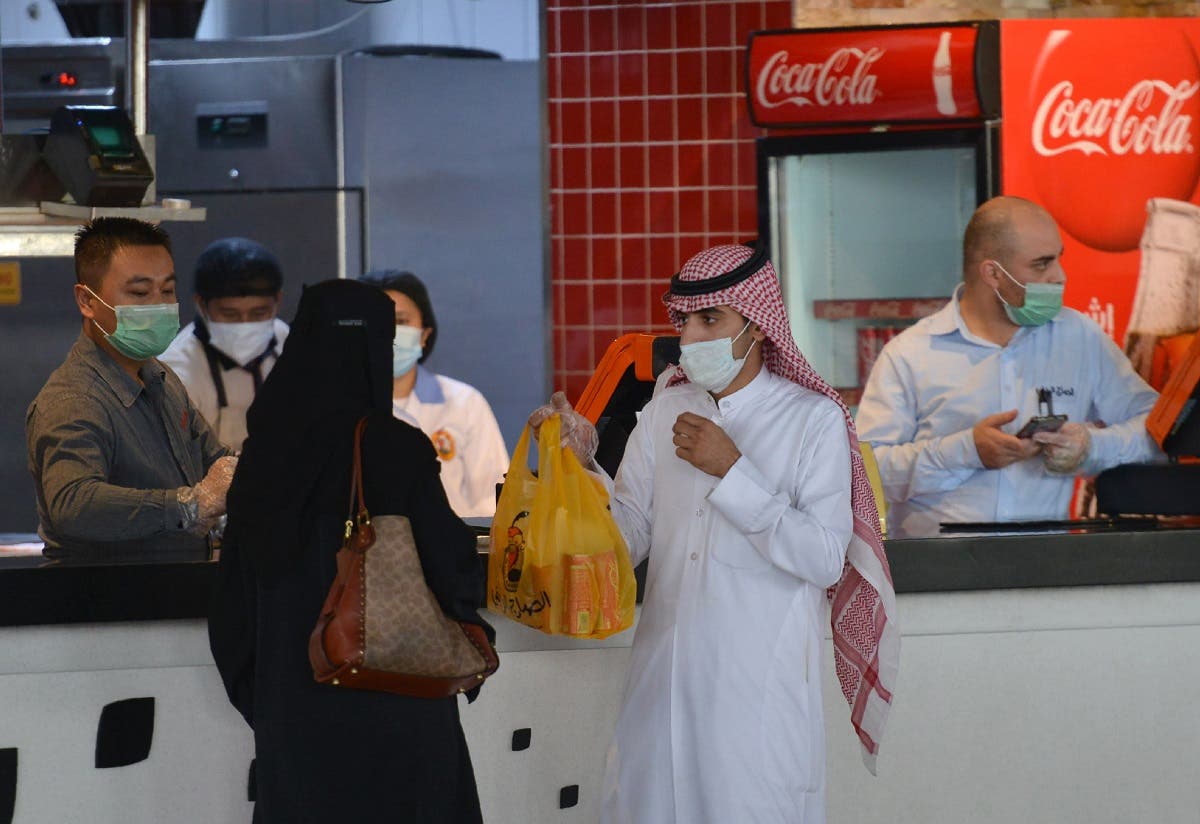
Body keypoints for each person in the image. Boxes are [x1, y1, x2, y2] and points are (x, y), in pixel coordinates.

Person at [530, 244, 898, 824]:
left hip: (754, 694)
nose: (690, 337)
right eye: (684, 321)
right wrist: (581, 468)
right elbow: (626, 537)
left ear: (756, 324)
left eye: (710, 320)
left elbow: (825, 559)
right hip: (662, 684)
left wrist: (733, 472)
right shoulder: (661, 410)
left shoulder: (811, 419)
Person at [208, 279, 490, 824]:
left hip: (296, 714)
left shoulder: (263, 454)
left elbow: (233, 606)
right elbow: (452, 569)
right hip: (402, 707)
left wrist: (271, 704)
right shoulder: (396, 447)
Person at [856, 196, 1163, 538]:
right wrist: (966, 451)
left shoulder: (1080, 338)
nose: (1059, 277)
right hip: (938, 577)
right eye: (1041, 264)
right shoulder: (910, 354)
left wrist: (1092, 448)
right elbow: (864, 472)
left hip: (1044, 572)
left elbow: (1158, 430)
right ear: (992, 273)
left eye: (1059, 259)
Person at [25, 217, 235, 561]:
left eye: (167, 291)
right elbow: (74, 504)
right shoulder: (73, 399)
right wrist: (187, 507)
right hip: (109, 602)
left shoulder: (160, 379)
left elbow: (214, 462)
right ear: (87, 300)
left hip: (175, 593)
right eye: (139, 292)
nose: (158, 304)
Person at [359, 269, 508, 517]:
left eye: (400, 321)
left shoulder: (464, 403)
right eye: (376, 321)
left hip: (453, 549)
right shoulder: (334, 406)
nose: (388, 333)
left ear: (424, 333)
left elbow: (492, 501)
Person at [159, 237, 288, 451]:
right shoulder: (177, 373)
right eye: (230, 314)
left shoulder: (285, 341)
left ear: (278, 301)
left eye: (259, 313)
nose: (245, 325)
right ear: (201, 305)